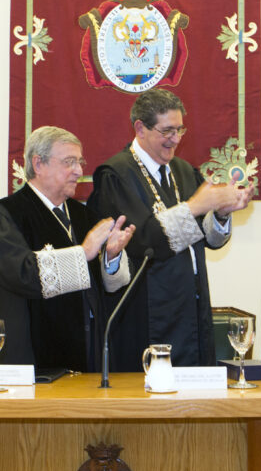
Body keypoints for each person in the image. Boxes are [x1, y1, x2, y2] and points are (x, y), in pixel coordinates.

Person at [86, 89, 250, 369]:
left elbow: (208, 239)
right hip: (149, 311)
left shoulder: (184, 170)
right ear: (140, 128)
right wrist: (196, 206)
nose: (176, 139)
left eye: (180, 129)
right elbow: (144, 241)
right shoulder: (115, 174)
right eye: (167, 131)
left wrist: (221, 213)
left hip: (192, 304)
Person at [0, 126, 134, 371]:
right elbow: (21, 273)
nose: (79, 171)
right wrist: (83, 253)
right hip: (32, 356)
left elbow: (106, 287)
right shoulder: (4, 215)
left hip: (88, 352)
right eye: (68, 162)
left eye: (80, 162)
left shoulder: (85, 215)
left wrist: (111, 258)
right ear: (38, 164)